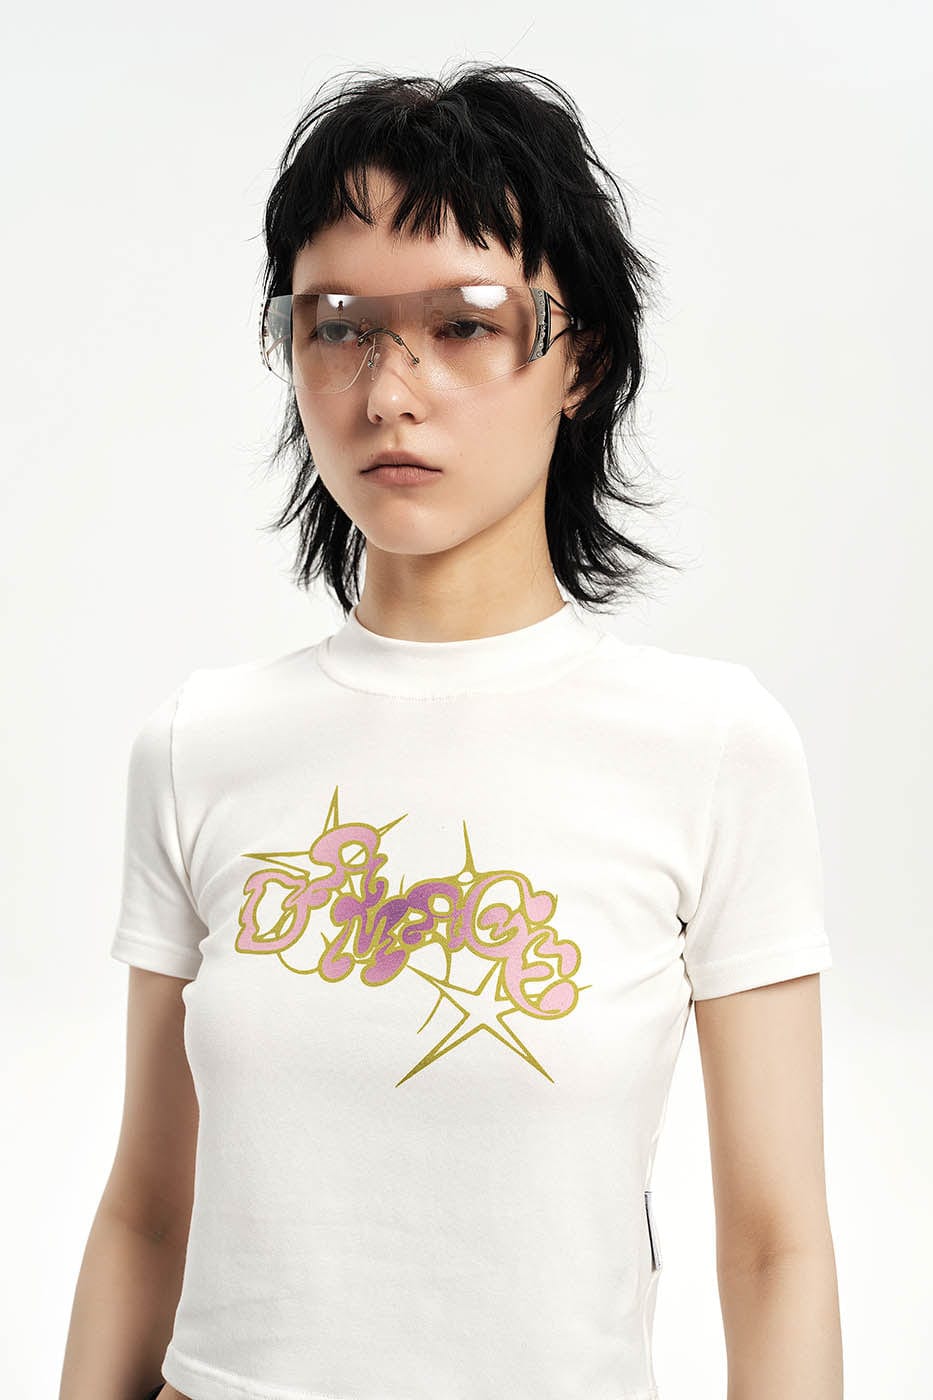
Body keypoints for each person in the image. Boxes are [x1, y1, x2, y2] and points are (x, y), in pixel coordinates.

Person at [59, 61, 843, 1400]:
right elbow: (144, 1211)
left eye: (466, 325)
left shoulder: (711, 748)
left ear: (581, 358)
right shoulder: (198, 746)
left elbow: (776, 1248)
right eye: (338, 327)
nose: (389, 391)